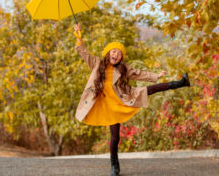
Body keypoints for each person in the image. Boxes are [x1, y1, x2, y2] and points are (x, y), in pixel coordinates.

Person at [73, 23, 190, 176]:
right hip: (105, 105)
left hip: (121, 100)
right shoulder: (97, 64)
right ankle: (114, 166)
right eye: (113, 51)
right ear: (108, 53)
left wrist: (156, 76)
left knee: (149, 90)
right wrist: (78, 35)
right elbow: (84, 52)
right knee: (115, 137)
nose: (116, 54)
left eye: (119, 53)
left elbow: (139, 74)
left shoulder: (122, 69)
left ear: (121, 58)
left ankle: (181, 83)